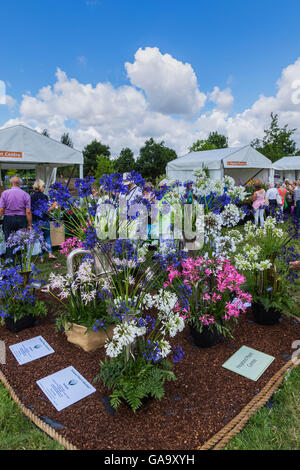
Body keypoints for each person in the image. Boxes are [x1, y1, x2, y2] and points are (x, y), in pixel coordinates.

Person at [0, 176, 32, 262]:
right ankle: (21, 261)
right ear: (20, 184)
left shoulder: (5, 193)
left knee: (8, 240)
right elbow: (28, 211)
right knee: (21, 240)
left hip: (8, 219)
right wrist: (29, 224)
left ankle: (10, 260)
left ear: (11, 183)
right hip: (21, 219)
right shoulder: (26, 194)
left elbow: (2, 209)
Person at [31, 179, 57, 262]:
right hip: (44, 219)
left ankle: (41, 257)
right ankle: (50, 253)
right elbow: (46, 210)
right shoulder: (44, 196)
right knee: (47, 236)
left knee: (38, 238)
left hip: (35, 220)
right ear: (40, 187)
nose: (44, 188)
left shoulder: (30, 197)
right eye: (43, 186)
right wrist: (53, 206)